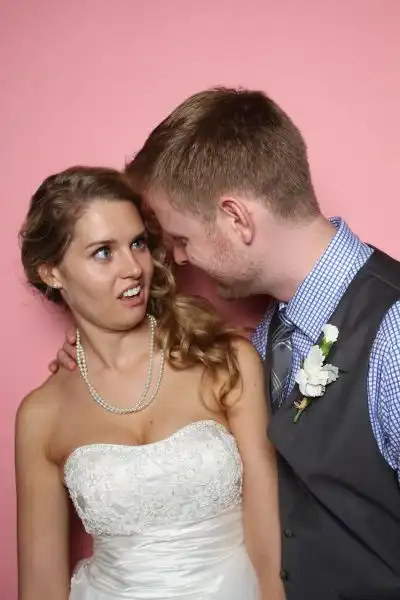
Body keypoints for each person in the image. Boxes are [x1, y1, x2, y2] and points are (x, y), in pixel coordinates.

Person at [53, 88, 400, 600]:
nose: (179, 259)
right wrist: (101, 348)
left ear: (236, 218)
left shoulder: (393, 332)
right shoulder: (269, 333)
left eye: (181, 239)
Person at [15, 166, 284, 600]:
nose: (134, 268)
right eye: (104, 252)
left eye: (137, 244)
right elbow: (40, 585)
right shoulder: (41, 415)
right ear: (52, 273)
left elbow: (270, 551)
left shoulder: (223, 360)